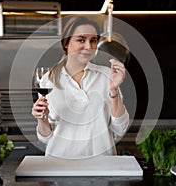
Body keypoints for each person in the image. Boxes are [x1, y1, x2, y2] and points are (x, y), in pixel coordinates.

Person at [31, 16, 130, 159]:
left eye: (93, 41)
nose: (88, 47)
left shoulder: (107, 75)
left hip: (102, 163)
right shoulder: (49, 79)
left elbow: (120, 129)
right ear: (66, 43)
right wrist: (42, 118)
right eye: (81, 40)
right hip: (60, 164)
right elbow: (45, 138)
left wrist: (113, 91)